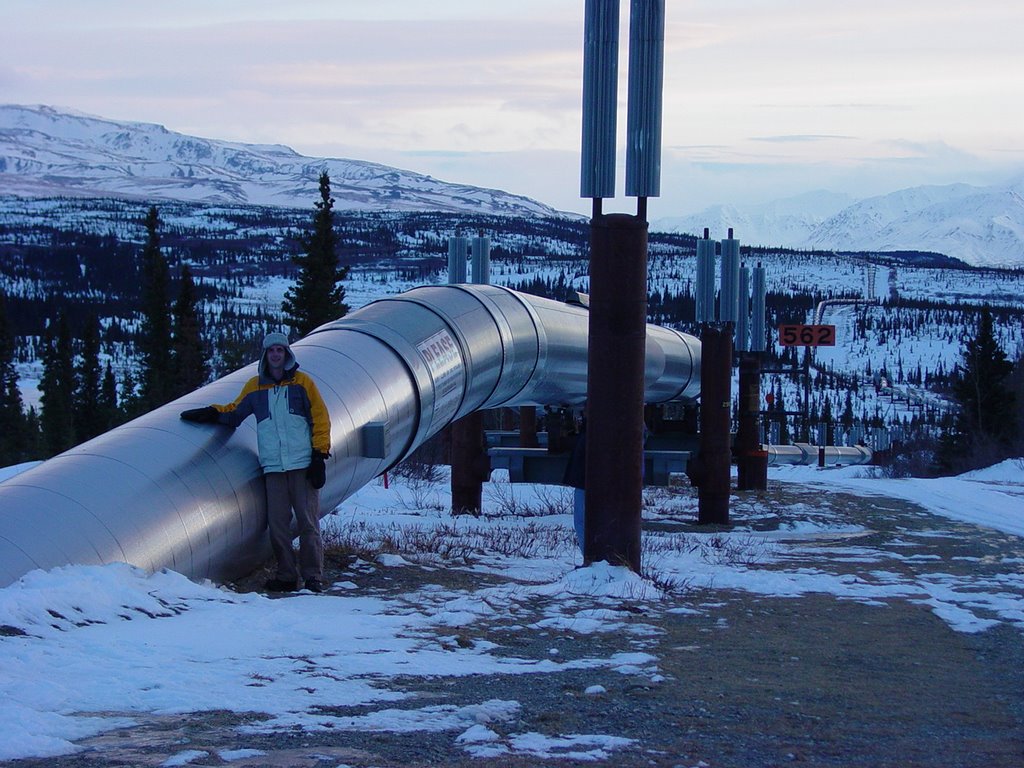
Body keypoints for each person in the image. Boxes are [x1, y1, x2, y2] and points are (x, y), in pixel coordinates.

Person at [181, 332, 331, 593]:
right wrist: (212, 413)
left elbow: (321, 418)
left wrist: (319, 455)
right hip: (273, 467)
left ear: (287, 354)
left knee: (308, 523)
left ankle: (312, 576)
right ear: (265, 355)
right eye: (271, 350)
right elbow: (235, 412)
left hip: (302, 465)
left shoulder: (302, 383)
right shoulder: (255, 387)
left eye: (280, 350)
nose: (276, 355)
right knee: (278, 525)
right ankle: (286, 575)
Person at [562, 415, 586, 555]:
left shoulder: (589, 432)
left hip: (584, 483)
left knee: (581, 522)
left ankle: (589, 557)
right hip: (584, 482)